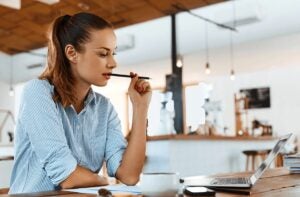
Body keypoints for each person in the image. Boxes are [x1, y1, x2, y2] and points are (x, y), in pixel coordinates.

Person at [9, 12, 152, 194]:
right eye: (103, 54)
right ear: (72, 53)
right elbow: (67, 176)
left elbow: (129, 175)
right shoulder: (37, 92)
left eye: (113, 54)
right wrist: (104, 181)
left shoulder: (104, 108)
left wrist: (140, 108)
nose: (113, 63)